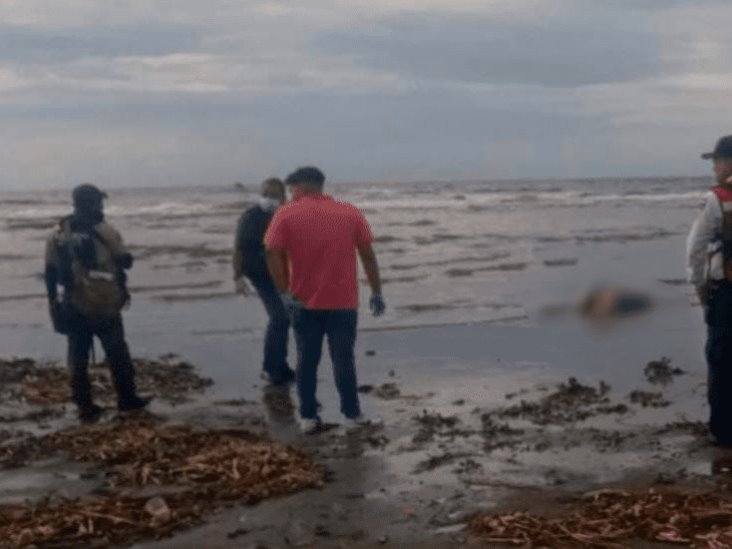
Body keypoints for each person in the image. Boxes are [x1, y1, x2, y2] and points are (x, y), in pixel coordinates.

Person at [264, 166, 386, 434]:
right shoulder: (350, 212)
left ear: (300, 187)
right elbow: (367, 254)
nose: (291, 195)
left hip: (303, 303)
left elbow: (271, 251)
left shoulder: (286, 213)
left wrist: (284, 292)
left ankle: (308, 417)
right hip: (343, 302)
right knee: (344, 360)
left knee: (307, 360)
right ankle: (352, 415)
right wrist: (376, 291)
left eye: (292, 189)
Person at [45, 183, 149, 422]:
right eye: (99, 202)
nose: (102, 206)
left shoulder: (57, 233)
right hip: (105, 305)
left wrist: (52, 302)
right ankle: (127, 398)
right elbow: (124, 261)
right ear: (91, 203)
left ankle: (85, 405)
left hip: (73, 303)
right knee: (117, 353)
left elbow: (50, 272)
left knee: (77, 357)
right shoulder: (105, 230)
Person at [687, 134, 732, 446]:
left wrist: (699, 286)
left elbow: (696, 248)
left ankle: (724, 433)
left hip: (726, 292)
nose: (714, 167)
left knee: (722, 360)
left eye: (716, 160)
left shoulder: (718, 198)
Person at [233, 178, 295, 385]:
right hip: (259, 273)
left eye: (276, 195)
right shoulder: (251, 217)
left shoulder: (284, 216)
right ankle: (270, 369)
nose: (271, 199)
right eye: (267, 194)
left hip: (278, 273)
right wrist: (238, 277)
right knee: (279, 317)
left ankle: (281, 366)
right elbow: (238, 248)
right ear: (261, 194)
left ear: (283, 197)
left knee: (285, 318)